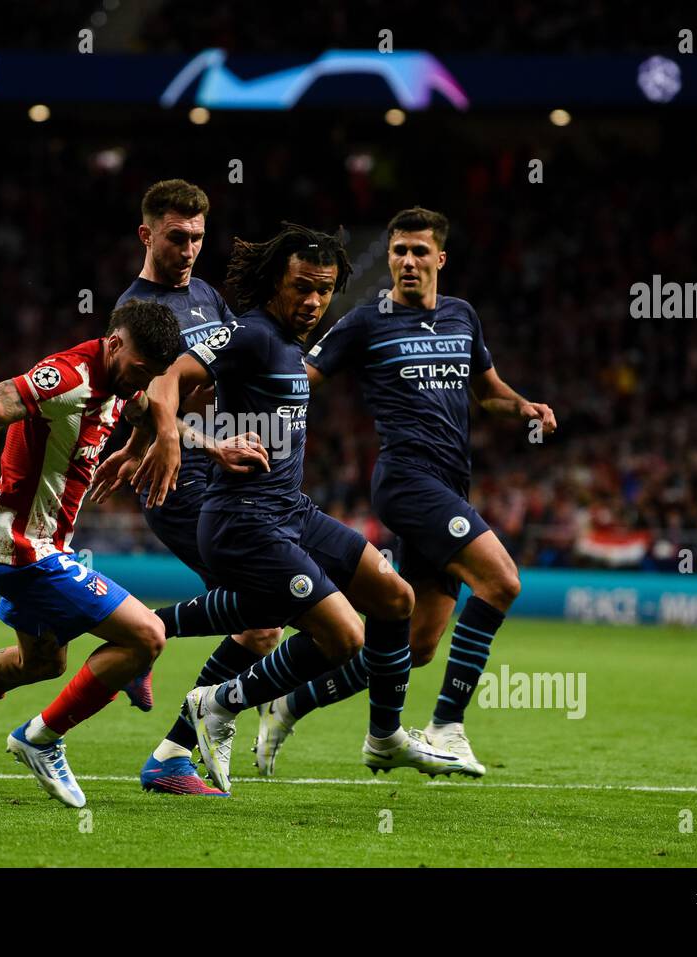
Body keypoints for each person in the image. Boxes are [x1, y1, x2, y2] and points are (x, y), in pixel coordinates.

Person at [0, 300, 268, 808]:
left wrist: (194, 448)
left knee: (40, 663)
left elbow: (149, 411)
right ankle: (41, 738)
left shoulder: (124, 380)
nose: (141, 382)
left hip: (36, 547)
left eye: (152, 374)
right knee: (146, 636)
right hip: (22, 549)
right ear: (115, 344)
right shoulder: (65, 379)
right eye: (139, 370)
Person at [119, 223, 465, 794]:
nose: (312, 302)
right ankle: (216, 703)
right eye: (301, 288)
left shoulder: (289, 345)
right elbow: (164, 381)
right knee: (343, 637)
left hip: (292, 512)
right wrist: (190, 440)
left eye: (323, 290)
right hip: (243, 520)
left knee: (395, 598)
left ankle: (384, 736)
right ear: (274, 284)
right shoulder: (251, 335)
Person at [254, 207, 557, 778]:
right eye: (399, 251)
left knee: (413, 647)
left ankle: (289, 703)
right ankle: (447, 726)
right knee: (501, 581)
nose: (408, 262)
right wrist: (241, 399)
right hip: (406, 481)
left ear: (440, 258)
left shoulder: (463, 316)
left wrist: (523, 407)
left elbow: (487, 391)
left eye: (420, 251)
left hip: (449, 483)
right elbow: (303, 378)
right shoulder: (367, 322)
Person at [99, 178, 280, 795]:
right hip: (175, 482)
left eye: (199, 237)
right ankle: (168, 736)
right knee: (263, 618)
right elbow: (150, 400)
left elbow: (223, 373)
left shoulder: (205, 293)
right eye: (177, 237)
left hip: (221, 474)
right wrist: (208, 441)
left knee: (264, 619)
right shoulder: (135, 311)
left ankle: (146, 646)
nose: (190, 249)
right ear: (147, 234)